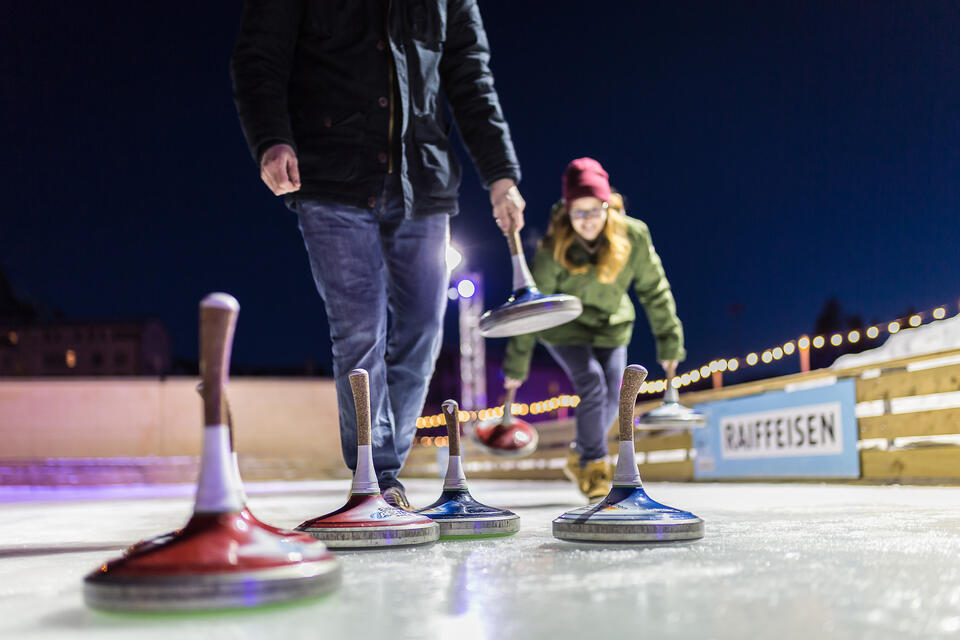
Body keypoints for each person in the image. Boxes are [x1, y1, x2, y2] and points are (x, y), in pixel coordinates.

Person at [230, 0, 525, 510]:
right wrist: (271, 139)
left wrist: (501, 175)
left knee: (423, 329)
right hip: (329, 176)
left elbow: (470, 78)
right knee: (360, 329)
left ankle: (383, 465)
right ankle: (378, 475)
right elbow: (259, 55)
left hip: (424, 182)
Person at [502, 157, 685, 502]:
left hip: (612, 326)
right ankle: (593, 466)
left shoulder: (633, 236)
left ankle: (580, 453)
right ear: (567, 212)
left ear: (608, 204)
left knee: (613, 398)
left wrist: (669, 342)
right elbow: (533, 308)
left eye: (594, 210)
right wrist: (516, 366)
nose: (587, 221)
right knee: (592, 384)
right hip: (563, 328)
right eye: (578, 212)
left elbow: (654, 289)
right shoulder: (554, 245)